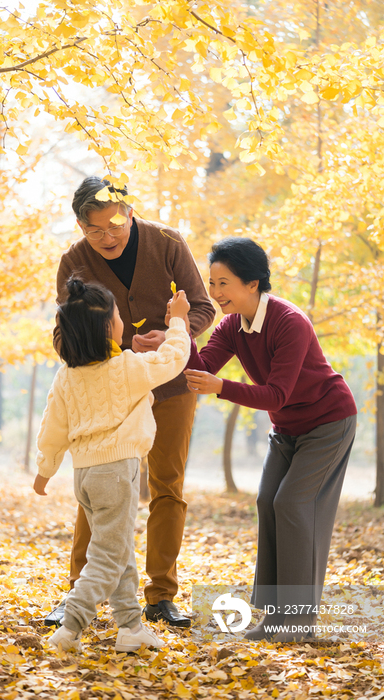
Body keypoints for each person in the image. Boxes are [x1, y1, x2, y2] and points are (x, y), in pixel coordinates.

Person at [45, 176, 215, 629]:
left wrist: (175, 333)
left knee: (167, 486)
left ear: (130, 213)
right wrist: (113, 351)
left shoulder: (167, 242)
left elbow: (203, 306)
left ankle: (161, 595)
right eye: (95, 230)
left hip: (172, 384)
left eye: (115, 225)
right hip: (108, 391)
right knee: (98, 487)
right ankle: (79, 591)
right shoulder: (73, 262)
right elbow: (65, 335)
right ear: (81, 226)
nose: (108, 237)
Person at [182, 237, 357, 642]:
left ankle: (298, 623)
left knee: (292, 504)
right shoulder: (231, 325)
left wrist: (220, 386)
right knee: (267, 501)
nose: (215, 292)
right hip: (287, 428)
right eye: (212, 283)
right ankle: (276, 619)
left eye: (224, 283)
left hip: (328, 421)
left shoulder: (289, 322)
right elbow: (201, 369)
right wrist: (180, 327)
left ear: (253, 283)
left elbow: (276, 393)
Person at [34, 277, 191, 652]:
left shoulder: (67, 377)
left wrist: (45, 469)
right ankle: (68, 629)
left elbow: (52, 426)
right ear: (109, 327)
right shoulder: (128, 368)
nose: (122, 317)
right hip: (117, 474)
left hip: (85, 475)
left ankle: (131, 627)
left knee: (117, 551)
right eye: (117, 313)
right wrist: (178, 322)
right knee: (106, 558)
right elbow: (175, 357)